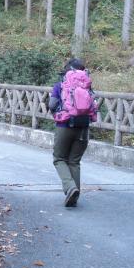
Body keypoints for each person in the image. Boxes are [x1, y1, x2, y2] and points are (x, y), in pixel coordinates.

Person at [48, 58, 97, 207]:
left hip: (64, 126)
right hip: (83, 127)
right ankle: (74, 197)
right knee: (74, 161)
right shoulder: (87, 86)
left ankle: (70, 188)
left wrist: (56, 113)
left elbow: (52, 104)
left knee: (59, 158)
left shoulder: (60, 85)